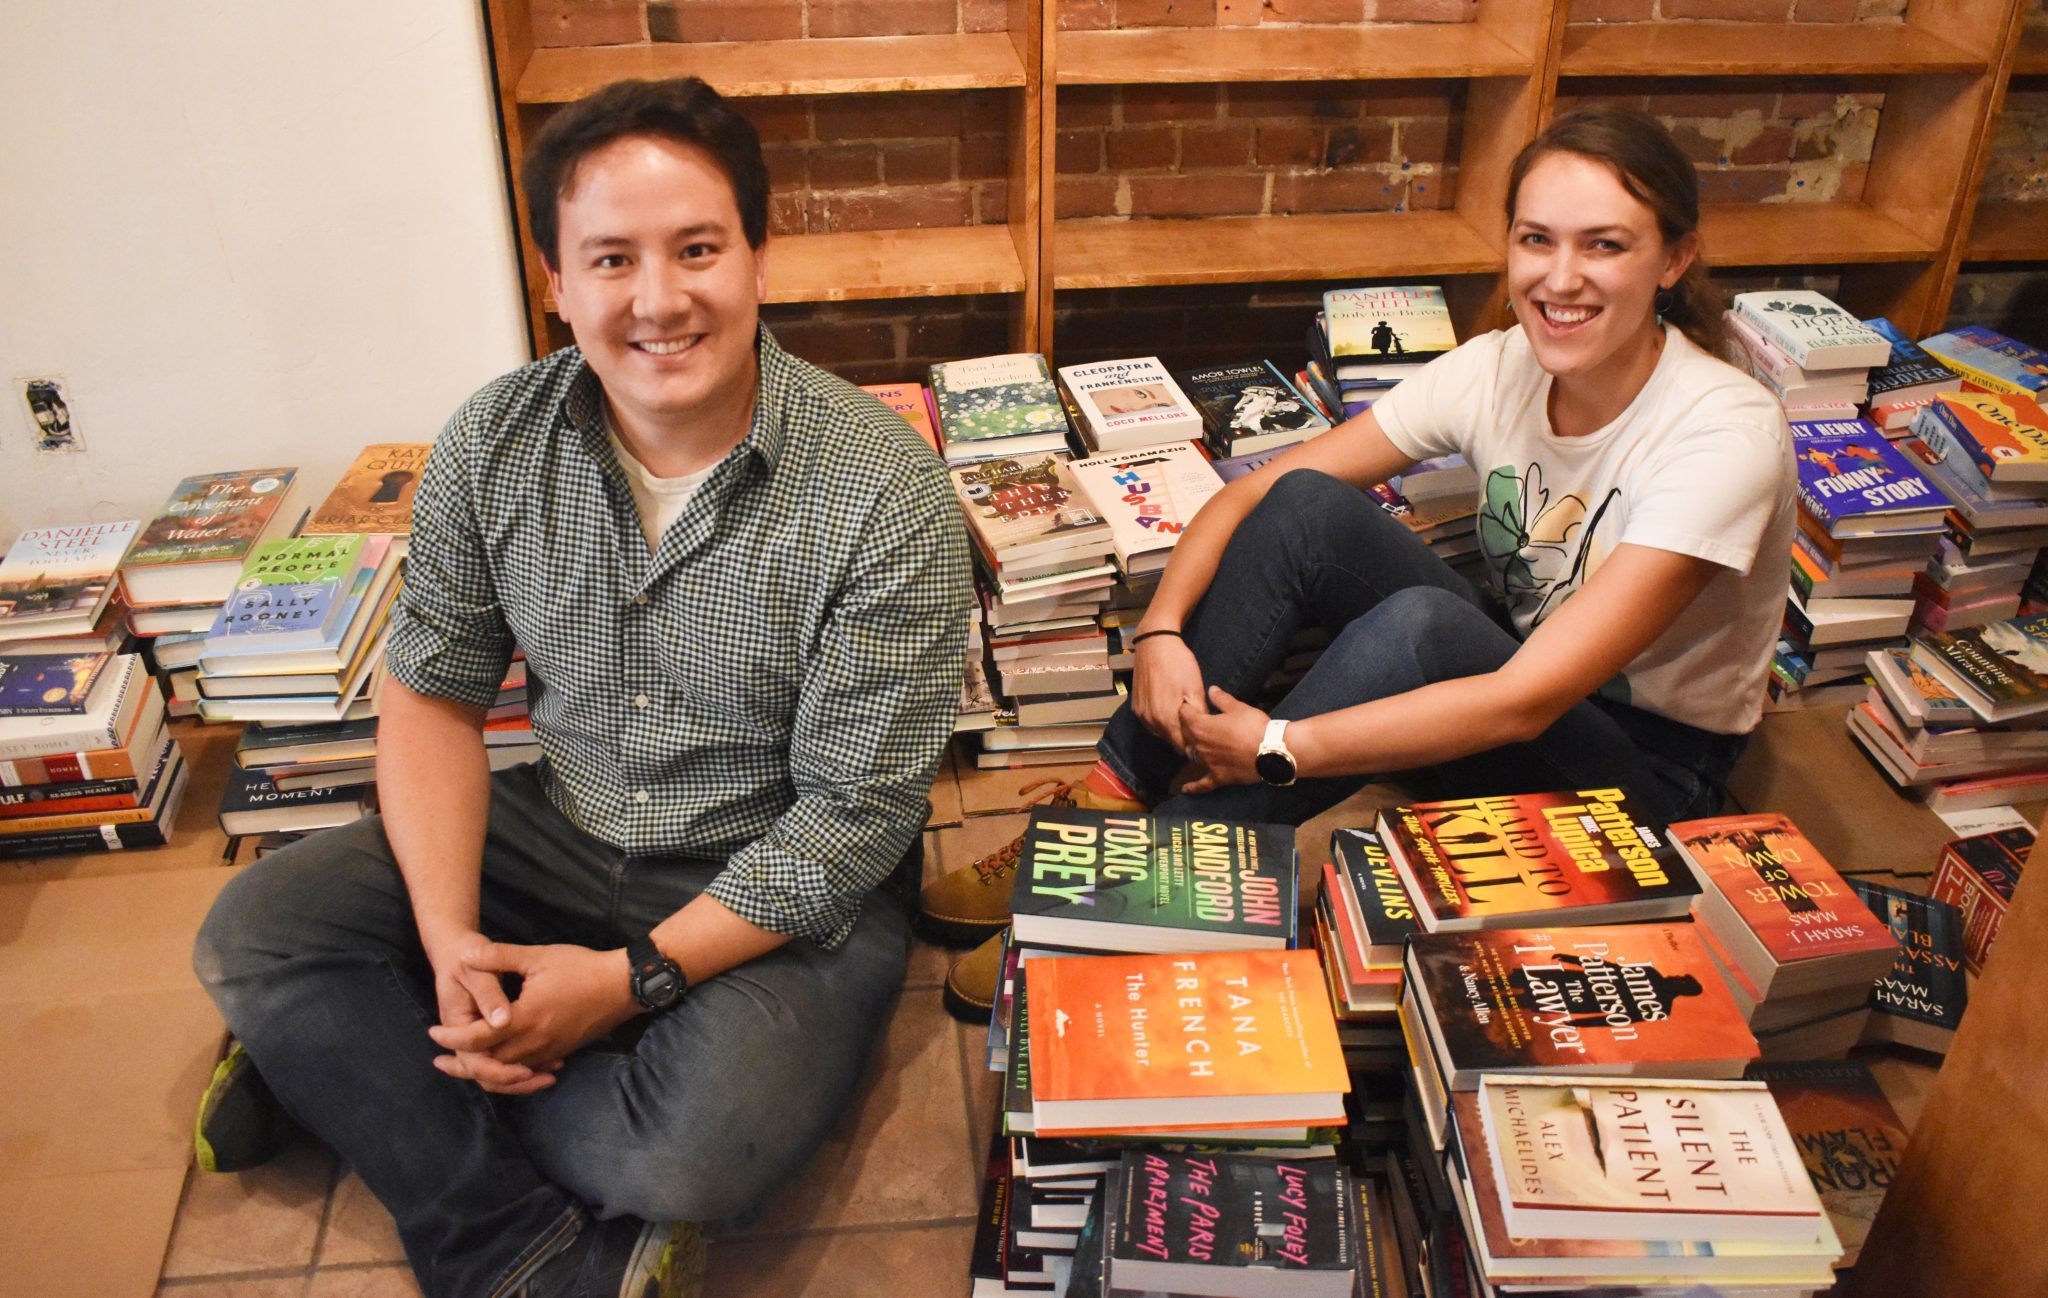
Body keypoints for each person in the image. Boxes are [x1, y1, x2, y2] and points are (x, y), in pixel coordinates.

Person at [192, 77, 971, 1298]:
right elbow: (434, 696)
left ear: (759, 257)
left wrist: (629, 980)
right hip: (561, 821)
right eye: (610, 258)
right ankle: (507, 1238)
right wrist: (452, 937)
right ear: (555, 280)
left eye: (698, 249)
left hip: (774, 870)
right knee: (256, 927)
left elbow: (850, 821)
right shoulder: (489, 440)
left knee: (698, 1150)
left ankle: (356, 1069)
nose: (658, 300)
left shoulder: (884, 492)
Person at [923, 107, 1794, 1019]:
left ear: (1674, 260)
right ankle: (1109, 799)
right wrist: (1161, 630)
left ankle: (1150, 881)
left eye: (1605, 245)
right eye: (1538, 240)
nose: (1561, 278)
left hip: (1643, 775)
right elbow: (1256, 494)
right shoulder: (1501, 365)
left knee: (1425, 627)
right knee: (1307, 508)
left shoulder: (1722, 432)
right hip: (1519, 695)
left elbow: (1527, 697)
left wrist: (1278, 747)